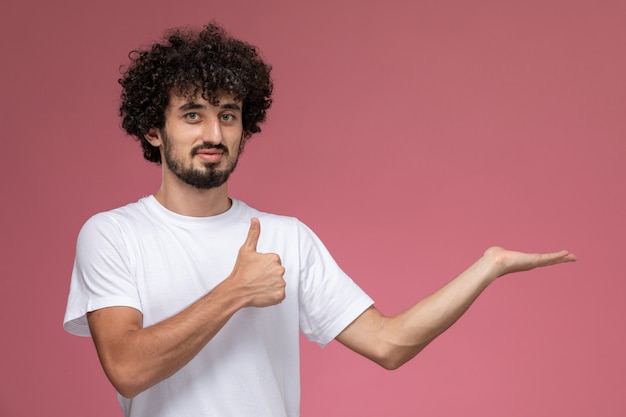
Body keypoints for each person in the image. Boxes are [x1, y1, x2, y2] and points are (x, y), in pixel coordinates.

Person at [63, 23, 576, 417]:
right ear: (154, 129)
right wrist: (236, 291)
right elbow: (128, 369)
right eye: (192, 114)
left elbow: (388, 343)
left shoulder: (289, 237)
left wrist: (488, 266)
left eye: (228, 114)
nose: (214, 133)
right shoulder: (113, 234)